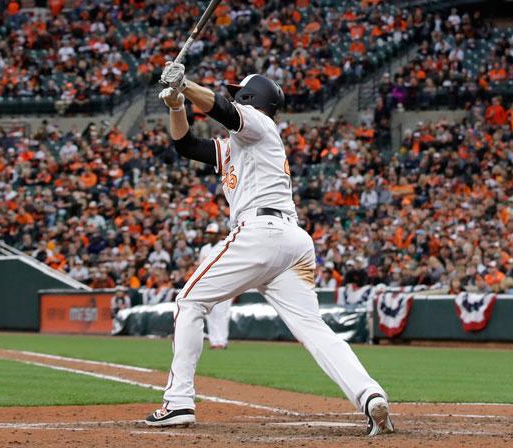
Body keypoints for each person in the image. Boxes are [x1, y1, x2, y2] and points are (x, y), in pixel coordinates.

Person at [145, 64, 394, 435]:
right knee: (314, 328)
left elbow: (223, 110)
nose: (232, 96)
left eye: (237, 93)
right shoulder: (236, 146)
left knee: (189, 302)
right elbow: (186, 146)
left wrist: (185, 85)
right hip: (290, 241)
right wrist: (177, 105)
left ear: (249, 99)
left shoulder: (259, 124)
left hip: (261, 233)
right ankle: (370, 396)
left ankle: (178, 401)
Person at [198, 222, 232, 349]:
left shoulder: (224, 246)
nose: (209, 236)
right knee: (210, 314)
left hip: (224, 285)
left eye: (212, 234)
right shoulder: (204, 249)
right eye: (208, 233)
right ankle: (214, 341)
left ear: (218, 235)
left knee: (222, 314)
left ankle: (222, 341)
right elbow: (200, 268)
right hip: (208, 285)